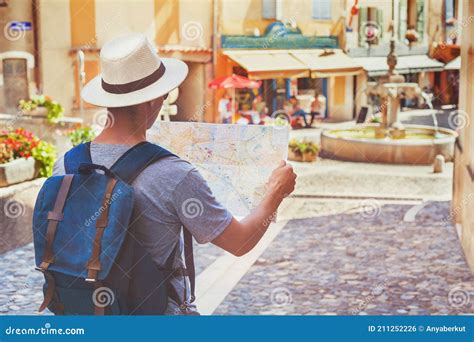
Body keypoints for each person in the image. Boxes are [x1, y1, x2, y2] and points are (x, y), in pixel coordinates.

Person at [53, 33, 296, 315]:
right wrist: (276, 192)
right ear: (154, 100)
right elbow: (239, 241)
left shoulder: (66, 165)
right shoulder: (174, 174)